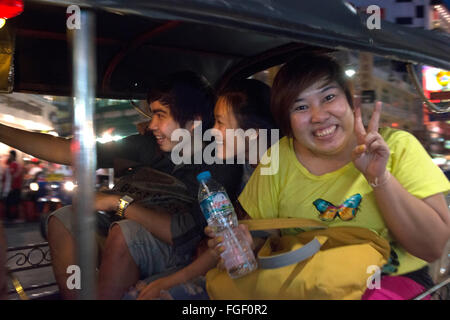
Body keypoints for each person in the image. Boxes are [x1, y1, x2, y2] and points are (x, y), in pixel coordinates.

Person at [0, 71, 243, 299]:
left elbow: (180, 232)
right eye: (152, 115)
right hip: (124, 226)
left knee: (125, 234)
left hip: (177, 248)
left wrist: (119, 203)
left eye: (161, 115)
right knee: (64, 218)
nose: (151, 125)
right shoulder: (148, 146)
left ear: (194, 122)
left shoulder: (219, 161)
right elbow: (72, 152)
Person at [231, 53, 449, 300]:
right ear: (287, 120)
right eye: (301, 106)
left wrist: (380, 178)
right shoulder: (278, 158)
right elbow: (263, 238)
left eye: (328, 97)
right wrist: (246, 245)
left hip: (388, 282)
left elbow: (432, 247)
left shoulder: (398, 146)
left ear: (349, 100)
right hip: (307, 285)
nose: (319, 116)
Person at [135, 79, 277, 300]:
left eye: (220, 123)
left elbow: (243, 242)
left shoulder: (273, 172)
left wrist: (171, 281)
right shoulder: (242, 169)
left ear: (252, 134)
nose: (213, 131)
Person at [1, 150, 23, 221]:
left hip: (13, 188)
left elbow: (14, 177)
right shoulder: (11, 165)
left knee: (12, 203)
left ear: (13, 156)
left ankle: (13, 217)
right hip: (9, 187)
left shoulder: (15, 165)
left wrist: (11, 187)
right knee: (9, 202)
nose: (9, 156)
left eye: (10, 155)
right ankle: (10, 217)